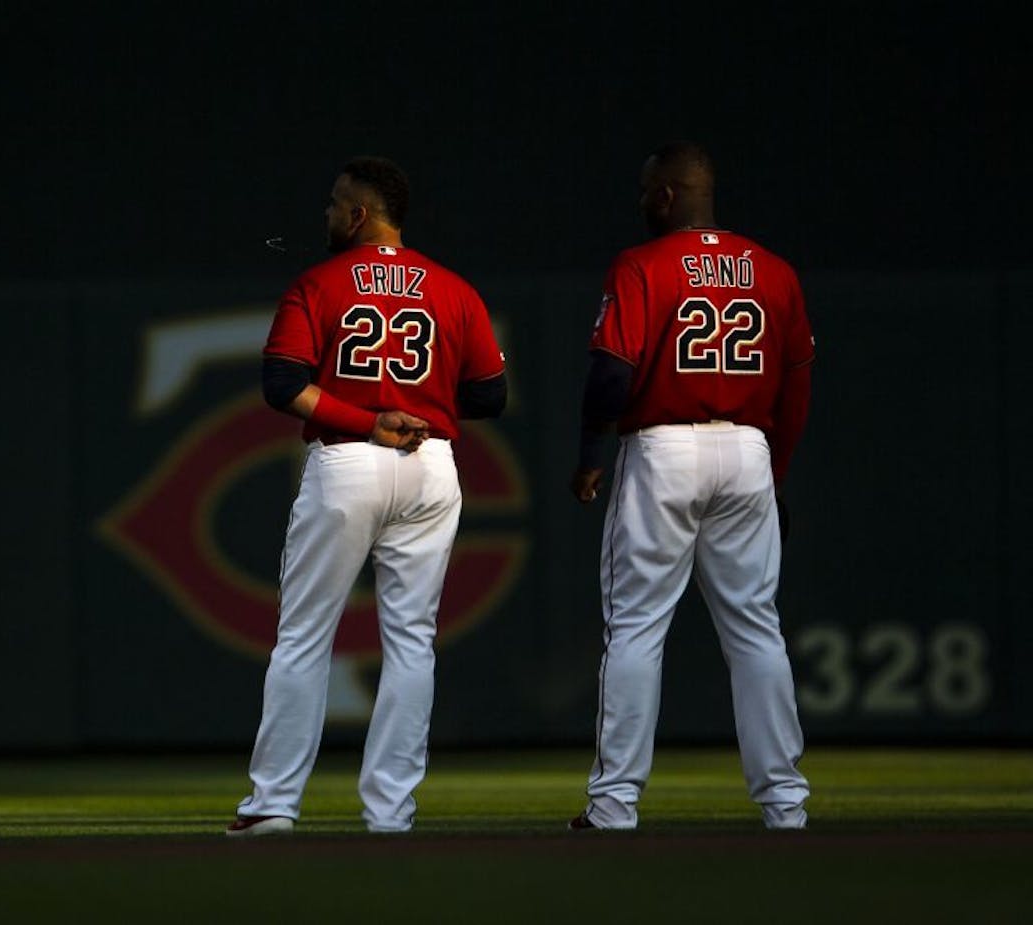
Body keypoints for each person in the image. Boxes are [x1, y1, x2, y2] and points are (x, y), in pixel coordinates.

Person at [227, 156, 508, 836]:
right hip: (431, 462)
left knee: (303, 636)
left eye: (333, 204)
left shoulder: (320, 282)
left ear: (359, 215)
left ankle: (272, 805)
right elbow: (489, 395)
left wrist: (368, 418)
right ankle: (390, 812)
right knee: (412, 642)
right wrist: (416, 408)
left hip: (349, 459)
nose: (326, 214)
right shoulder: (452, 288)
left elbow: (282, 383)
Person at [568, 141, 813, 831]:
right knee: (756, 630)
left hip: (664, 447)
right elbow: (795, 388)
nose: (642, 200)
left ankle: (615, 803)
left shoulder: (644, 263)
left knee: (637, 628)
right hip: (747, 450)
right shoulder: (773, 270)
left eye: (649, 190)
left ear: (668, 195)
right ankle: (785, 803)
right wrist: (775, 472)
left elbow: (613, 370)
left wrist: (590, 450)